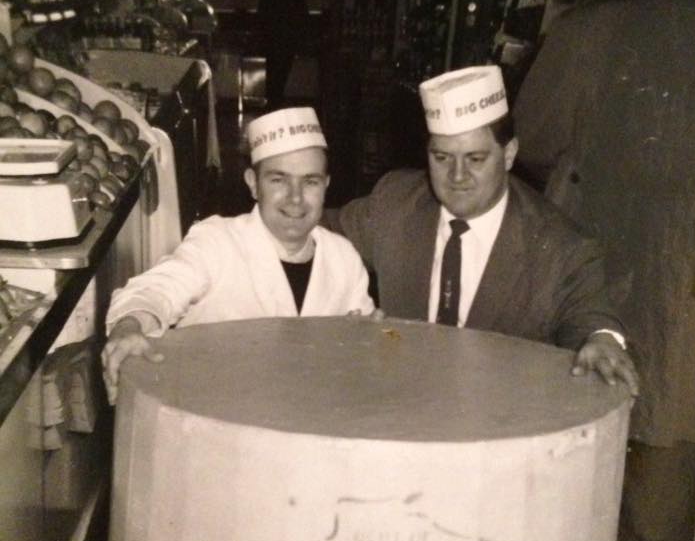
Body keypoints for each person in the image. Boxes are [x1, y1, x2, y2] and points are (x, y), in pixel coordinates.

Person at [512, 0, 695, 541]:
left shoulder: (587, 25)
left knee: (578, 451)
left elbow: (533, 138)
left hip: (592, 257)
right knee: (673, 457)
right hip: (692, 276)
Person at [328, 64, 639, 396]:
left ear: (509, 154)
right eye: (442, 157)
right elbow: (311, 232)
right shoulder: (396, 203)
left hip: (500, 420)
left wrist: (603, 340)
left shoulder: (559, 244)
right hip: (402, 407)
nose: (457, 176)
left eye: (475, 159)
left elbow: (591, 315)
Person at [102, 106, 374, 404]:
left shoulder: (343, 258)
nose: (296, 198)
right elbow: (157, 289)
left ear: (326, 186)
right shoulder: (217, 242)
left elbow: (363, 347)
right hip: (212, 420)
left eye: (310, 181)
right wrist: (129, 327)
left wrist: (375, 337)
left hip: (309, 425)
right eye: (278, 180)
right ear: (252, 184)